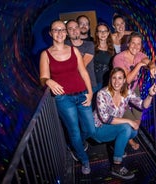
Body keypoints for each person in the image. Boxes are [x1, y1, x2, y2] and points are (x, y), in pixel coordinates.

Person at [39, 19, 95, 175]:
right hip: (64, 99)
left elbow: (83, 72)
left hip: (82, 94)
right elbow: (43, 78)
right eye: (55, 30)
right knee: (74, 132)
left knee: (90, 129)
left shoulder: (74, 50)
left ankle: (75, 145)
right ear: (51, 33)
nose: (59, 32)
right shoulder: (46, 54)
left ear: (66, 32)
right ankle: (84, 159)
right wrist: (48, 80)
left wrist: (90, 92)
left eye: (62, 29)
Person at [92, 67, 156, 180]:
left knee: (133, 132)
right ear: (110, 79)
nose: (116, 81)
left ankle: (114, 144)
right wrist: (129, 120)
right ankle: (116, 166)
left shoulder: (126, 92)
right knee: (127, 128)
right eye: (114, 78)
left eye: (120, 78)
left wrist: (150, 95)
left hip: (113, 127)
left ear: (124, 80)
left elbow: (143, 105)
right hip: (99, 129)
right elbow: (105, 119)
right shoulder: (102, 93)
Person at [112, 32, 156, 151]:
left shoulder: (139, 55)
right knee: (128, 123)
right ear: (128, 44)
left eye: (138, 44)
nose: (135, 46)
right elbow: (126, 80)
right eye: (133, 43)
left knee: (138, 117)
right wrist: (139, 65)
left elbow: (148, 61)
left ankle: (130, 136)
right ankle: (124, 141)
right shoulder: (119, 58)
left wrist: (152, 66)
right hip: (120, 92)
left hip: (134, 90)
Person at [66, 19, 98, 92]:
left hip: (89, 85)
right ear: (67, 32)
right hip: (72, 86)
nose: (74, 31)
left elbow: (82, 65)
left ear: (79, 29)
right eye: (70, 29)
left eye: (76, 27)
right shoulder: (65, 45)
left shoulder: (89, 45)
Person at [94, 22, 115, 89]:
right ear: (97, 34)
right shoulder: (92, 47)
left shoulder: (112, 49)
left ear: (108, 33)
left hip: (108, 83)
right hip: (95, 84)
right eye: (100, 31)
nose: (103, 33)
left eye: (105, 31)